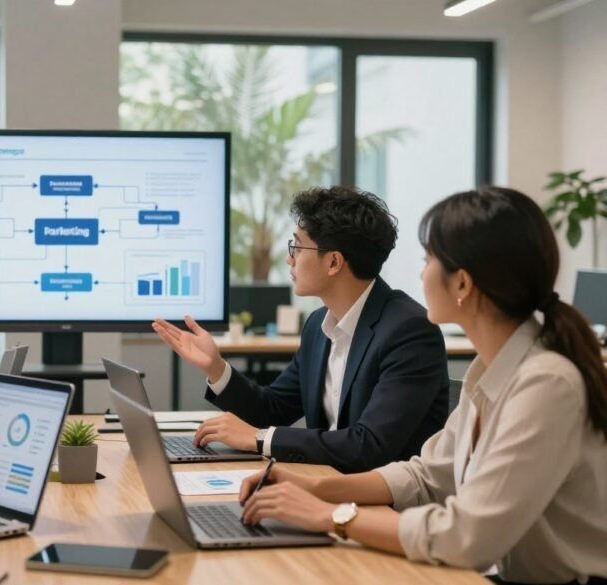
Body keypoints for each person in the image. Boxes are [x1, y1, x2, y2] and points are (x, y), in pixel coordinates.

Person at [238, 187, 607, 585]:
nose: (421, 274)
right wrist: (317, 488)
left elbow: (467, 536)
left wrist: (331, 515)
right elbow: (426, 476)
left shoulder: (546, 384)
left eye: (428, 260)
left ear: (462, 284)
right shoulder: (491, 370)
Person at [154, 186, 449, 472]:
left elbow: (369, 445)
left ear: (333, 262)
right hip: (323, 482)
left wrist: (260, 439)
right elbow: (272, 409)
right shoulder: (318, 326)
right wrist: (216, 368)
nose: (289, 258)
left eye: (296, 246)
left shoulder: (408, 331)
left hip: (380, 499)